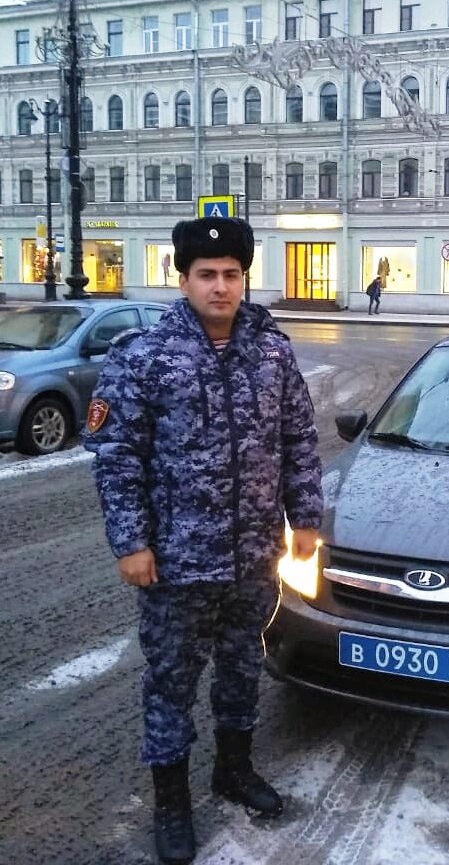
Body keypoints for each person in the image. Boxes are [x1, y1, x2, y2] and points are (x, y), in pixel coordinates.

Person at [83, 216, 323, 865]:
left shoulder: (271, 353)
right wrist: (131, 542)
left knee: (242, 668)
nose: (221, 286)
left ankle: (233, 770)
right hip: (176, 563)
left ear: (245, 279)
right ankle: (172, 802)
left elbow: (298, 440)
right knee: (171, 683)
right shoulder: (144, 356)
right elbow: (117, 457)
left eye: (232, 275)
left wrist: (305, 520)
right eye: (207, 274)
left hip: (254, 558)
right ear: (182, 278)